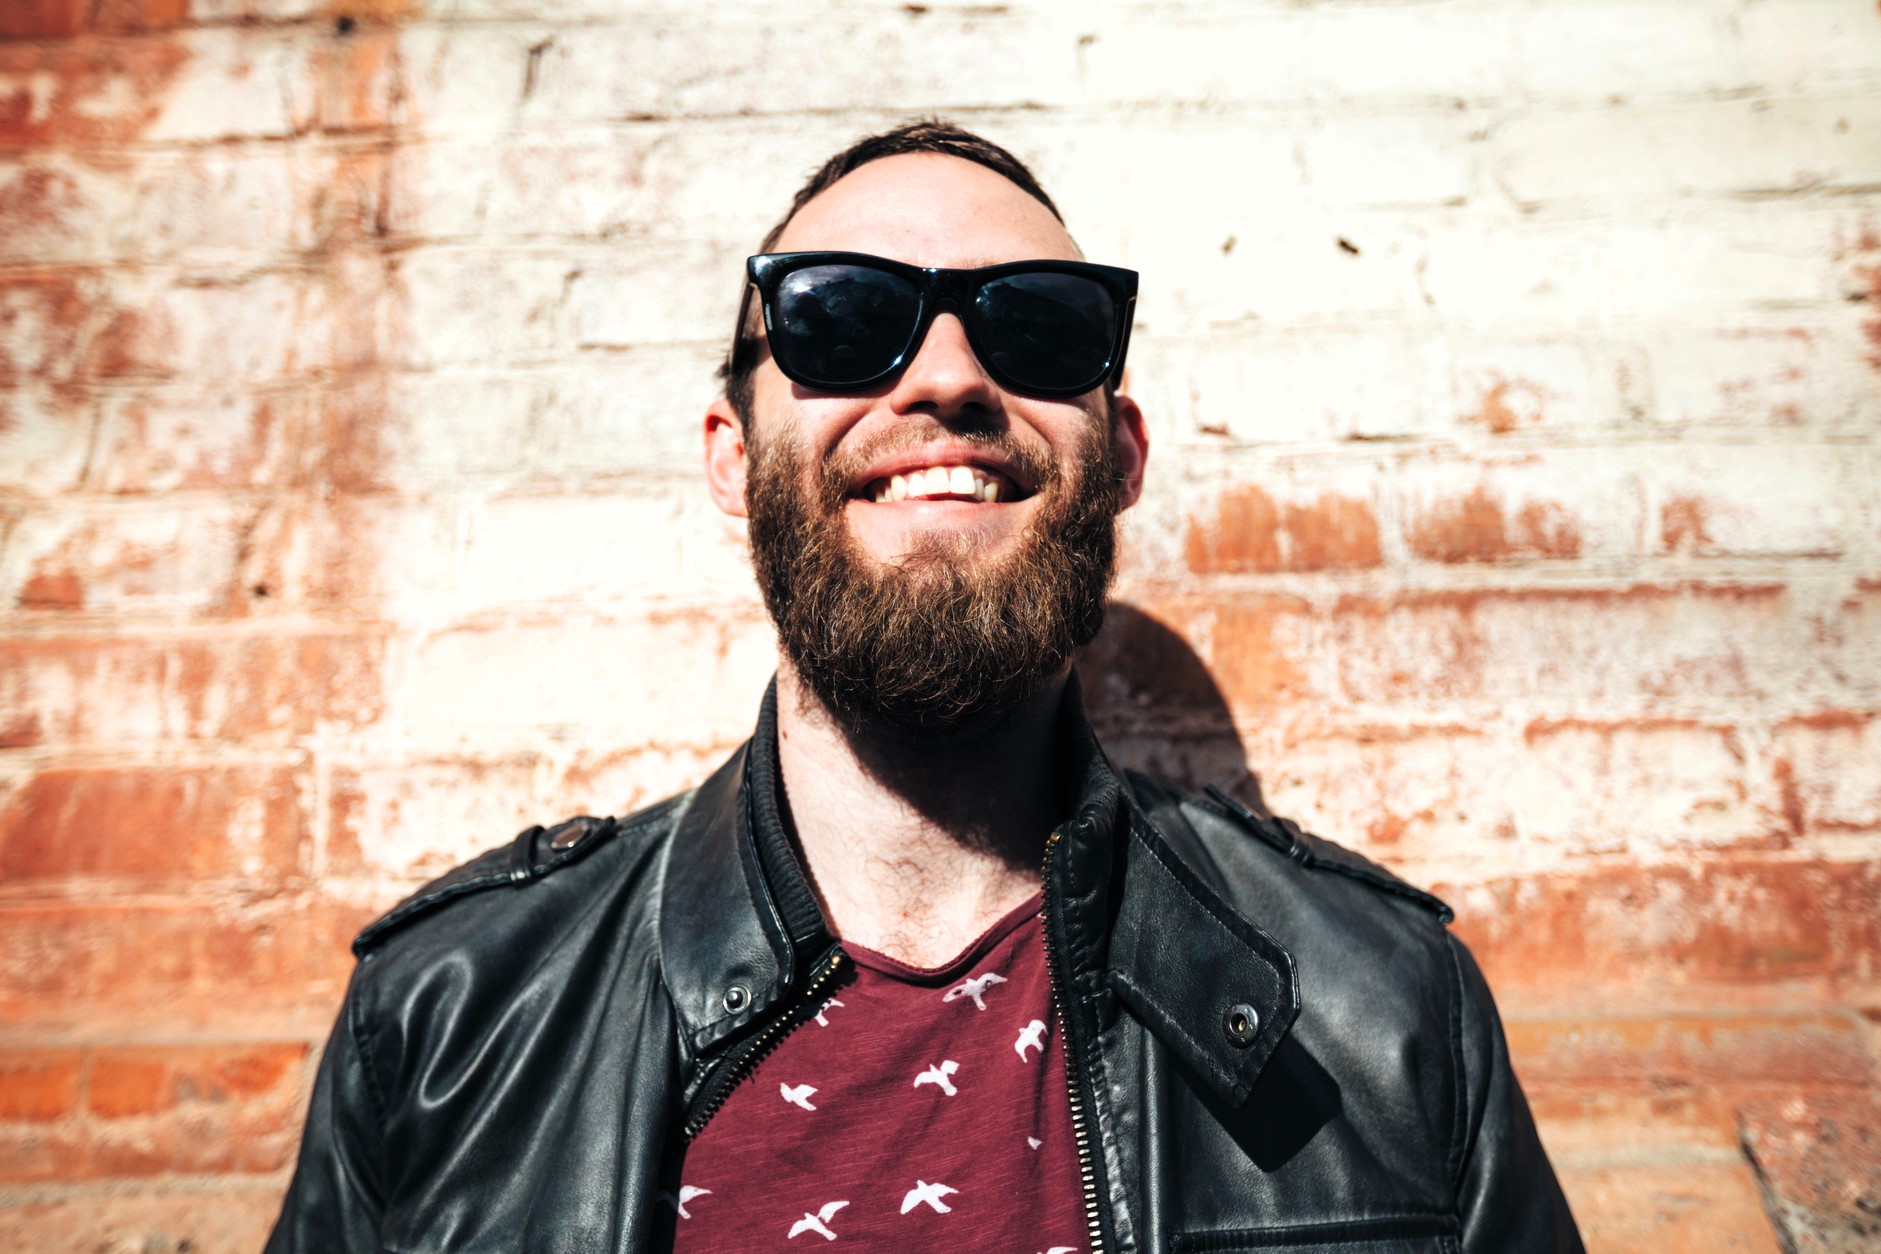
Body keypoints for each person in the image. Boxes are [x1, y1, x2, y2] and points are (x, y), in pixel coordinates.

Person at [266, 120, 1583, 1253]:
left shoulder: (1392, 1021)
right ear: (732, 456)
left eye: (1036, 325)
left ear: (1116, 455)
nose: (948, 377)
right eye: (842, 318)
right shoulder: (448, 1024)